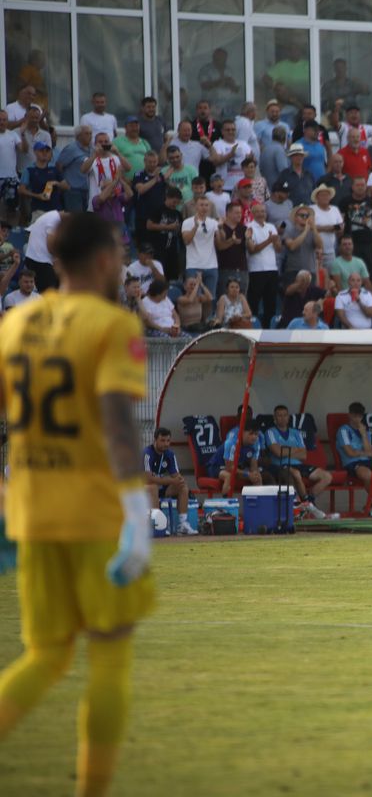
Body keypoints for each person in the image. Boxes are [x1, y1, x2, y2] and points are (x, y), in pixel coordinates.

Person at [0, 212, 157, 797]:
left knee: (45, 656)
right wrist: (138, 518)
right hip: (95, 514)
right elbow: (118, 425)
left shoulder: (15, 326)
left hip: (34, 514)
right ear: (102, 259)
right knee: (110, 657)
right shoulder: (113, 326)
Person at [144, 427, 197, 536]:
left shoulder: (170, 455)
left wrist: (179, 480)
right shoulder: (147, 454)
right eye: (162, 441)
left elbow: (177, 476)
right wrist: (169, 480)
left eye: (168, 441)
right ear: (155, 440)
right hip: (143, 488)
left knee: (182, 486)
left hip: (161, 488)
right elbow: (148, 478)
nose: (166, 444)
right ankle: (157, 524)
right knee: (153, 486)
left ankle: (182, 524)